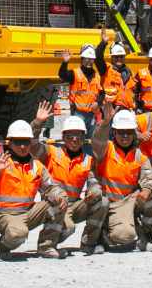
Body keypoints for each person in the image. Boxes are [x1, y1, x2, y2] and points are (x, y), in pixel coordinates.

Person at [31, 110, 107, 257]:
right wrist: (38, 123)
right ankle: (46, 244)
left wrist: (94, 191)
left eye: (78, 136)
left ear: (84, 138)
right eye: (70, 136)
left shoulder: (88, 160)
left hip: (73, 206)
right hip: (55, 204)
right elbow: (32, 145)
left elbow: (93, 182)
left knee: (102, 202)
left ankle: (88, 243)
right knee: (69, 227)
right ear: (63, 137)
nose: (74, 139)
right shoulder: (51, 153)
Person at [0, 120, 66, 260]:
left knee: (58, 203)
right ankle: (3, 246)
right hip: (6, 215)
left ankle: (46, 246)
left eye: (26, 142)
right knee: (18, 233)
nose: (22, 146)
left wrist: (60, 196)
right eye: (17, 142)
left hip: (29, 213)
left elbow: (51, 187)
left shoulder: (37, 166)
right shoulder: (0, 163)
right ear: (9, 143)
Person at [89, 107, 152, 252]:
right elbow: (97, 139)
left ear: (135, 134)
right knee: (124, 235)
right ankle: (105, 231)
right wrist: (106, 122)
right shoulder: (106, 149)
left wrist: (146, 190)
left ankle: (146, 233)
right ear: (114, 132)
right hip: (111, 205)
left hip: (130, 202)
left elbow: (151, 179)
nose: (125, 136)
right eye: (121, 132)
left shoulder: (139, 156)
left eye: (129, 132)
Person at [56, 45, 104, 133]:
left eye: (91, 59)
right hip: (78, 114)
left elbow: (102, 93)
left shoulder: (97, 76)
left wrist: (98, 102)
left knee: (90, 140)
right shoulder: (74, 73)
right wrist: (65, 62)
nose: (89, 61)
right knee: (78, 137)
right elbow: (62, 75)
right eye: (87, 59)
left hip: (92, 114)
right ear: (82, 59)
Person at [102, 43, 137, 111]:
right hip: (111, 109)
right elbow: (98, 59)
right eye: (116, 57)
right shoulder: (106, 70)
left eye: (121, 57)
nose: (119, 59)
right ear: (112, 57)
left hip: (127, 110)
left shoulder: (129, 72)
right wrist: (103, 43)